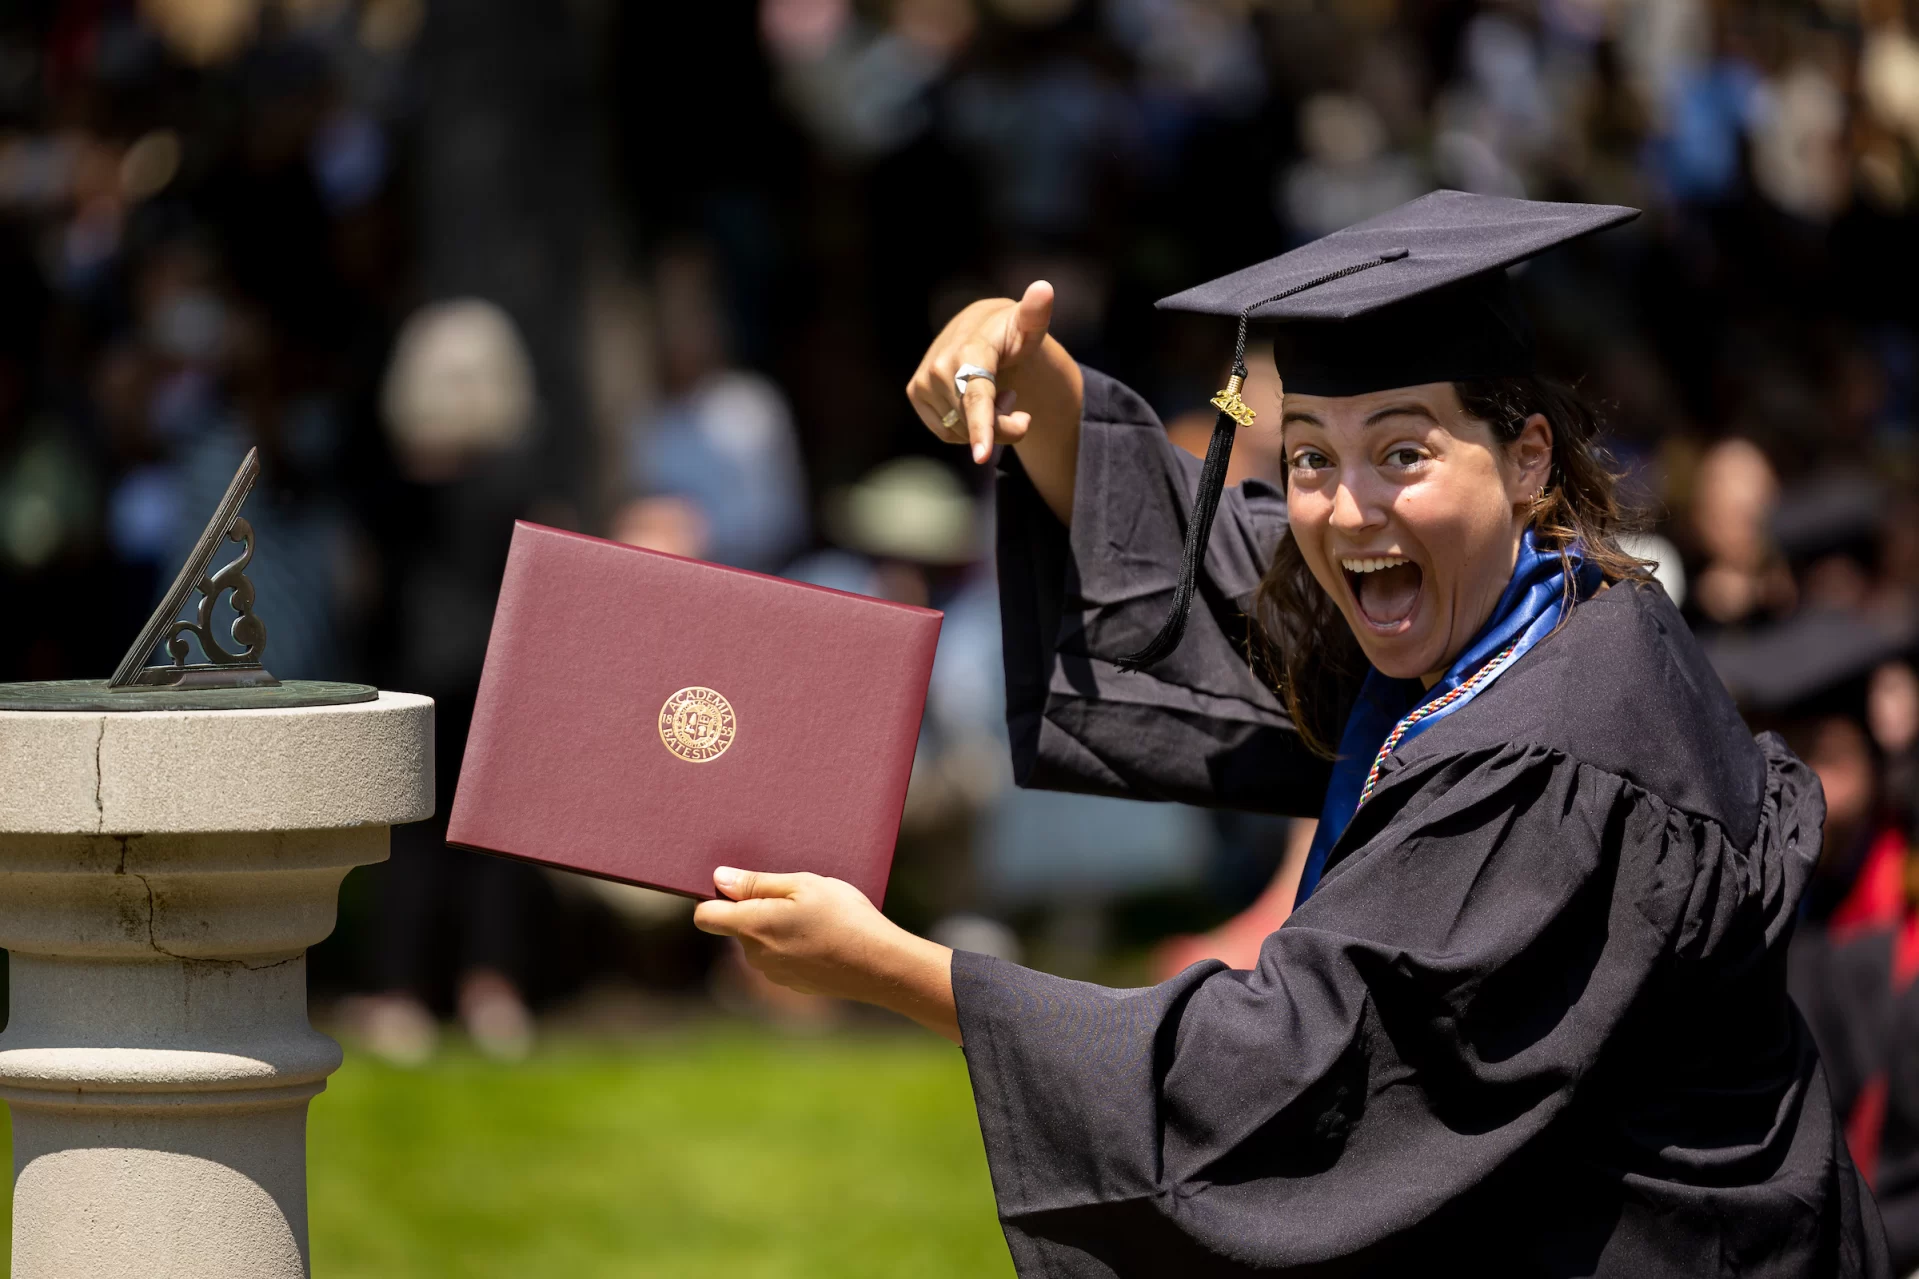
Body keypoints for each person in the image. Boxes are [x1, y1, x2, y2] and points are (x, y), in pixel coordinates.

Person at [692, 192, 1888, 1275]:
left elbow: (1286, 1064)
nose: (1344, 504)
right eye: (1310, 452)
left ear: (1528, 457)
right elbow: (1199, 563)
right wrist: (1032, 373)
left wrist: (897, 969)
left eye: (1403, 452)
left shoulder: (1556, 750)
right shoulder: (1516, 610)